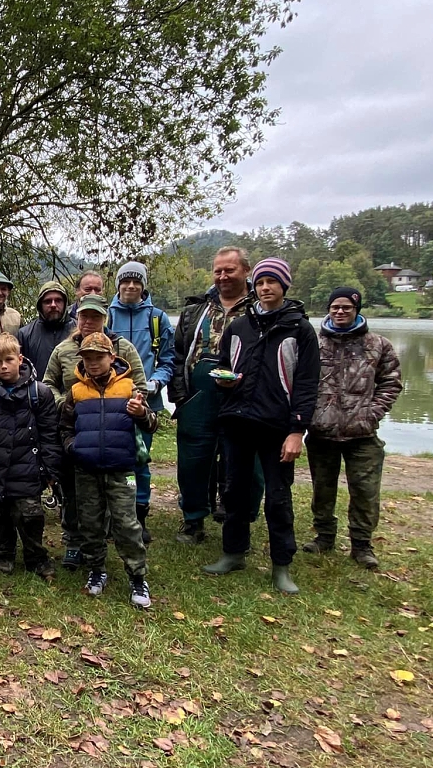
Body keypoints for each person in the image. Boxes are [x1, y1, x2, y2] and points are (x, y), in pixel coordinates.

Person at [203, 258, 320, 595]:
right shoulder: (240, 326)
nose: (265, 288)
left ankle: (281, 565)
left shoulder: (300, 330)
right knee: (234, 492)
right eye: (260, 282)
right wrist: (224, 382)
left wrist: (297, 431)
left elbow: (307, 384)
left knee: (278, 498)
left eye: (272, 282)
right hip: (238, 421)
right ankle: (233, 553)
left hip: (277, 426)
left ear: (284, 286)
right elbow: (225, 365)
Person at [303, 287, 402, 570]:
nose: (340, 312)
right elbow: (300, 381)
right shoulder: (313, 343)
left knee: (365, 492)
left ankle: (361, 544)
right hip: (321, 431)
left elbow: (391, 382)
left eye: (346, 307)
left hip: (362, 434)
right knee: (322, 489)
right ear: (328, 309)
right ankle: (324, 536)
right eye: (335, 307)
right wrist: (309, 415)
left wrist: (372, 414)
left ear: (356, 309)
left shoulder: (378, 344)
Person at [42, 294, 146, 564]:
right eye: (84, 316)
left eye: (95, 316)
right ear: (77, 317)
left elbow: (140, 386)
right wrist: (65, 404)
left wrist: (133, 408)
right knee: (75, 489)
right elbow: (48, 382)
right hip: (77, 428)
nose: (88, 321)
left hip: (115, 431)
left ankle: (113, 543)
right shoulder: (64, 349)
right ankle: (74, 540)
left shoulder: (122, 347)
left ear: (104, 318)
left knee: (114, 491)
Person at [168, 246, 261, 545]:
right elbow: (177, 354)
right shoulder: (196, 309)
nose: (222, 276)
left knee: (246, 461)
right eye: (218, 271)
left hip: (247, 397)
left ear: (246, 270)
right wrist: (180, 396)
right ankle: (193, 519)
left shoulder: (261, 307)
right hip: (198, 395)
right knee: (193, 460)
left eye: (229, 270)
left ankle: (240, 520)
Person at [59, 332, 156, 608]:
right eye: (87, 358)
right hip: (86, 469)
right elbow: (64, 427)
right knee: (90, 523)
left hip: (121, 469)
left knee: (126, 524)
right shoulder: (76, 391)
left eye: (98, 357)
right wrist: (73, 448)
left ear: (112, 357)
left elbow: (152, 424)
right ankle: (96, 569)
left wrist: (141, 413)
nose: (93, 363)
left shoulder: (128, 388)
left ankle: (137, 576)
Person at [0, 333, 61, 578]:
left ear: (20, 359)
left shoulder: (39, 393)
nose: (4, 366)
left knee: (30, 516)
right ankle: (3, 551)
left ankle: (36, 557)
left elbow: (50, 434)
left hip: (27, 467)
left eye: (8, 360)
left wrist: (50, 470)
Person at [106, 261, 175, 539]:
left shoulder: (158, 319)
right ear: (118, 285)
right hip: (111, 401)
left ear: (144, 285)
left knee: (140, 460)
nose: (131, 286)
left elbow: (168, 360)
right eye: (126, 281)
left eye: (137, 282)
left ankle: (139, 513)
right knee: (111, 459)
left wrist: (155, 382)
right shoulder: (107, 316)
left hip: (146, 402)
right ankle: (112, 515)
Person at [16, 281, 75, 379]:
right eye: (48, 301)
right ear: (40, 305)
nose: (53, 305)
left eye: (58, 300)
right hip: (38, 388)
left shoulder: (78, 331)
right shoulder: (25, 334)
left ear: (65, 303)